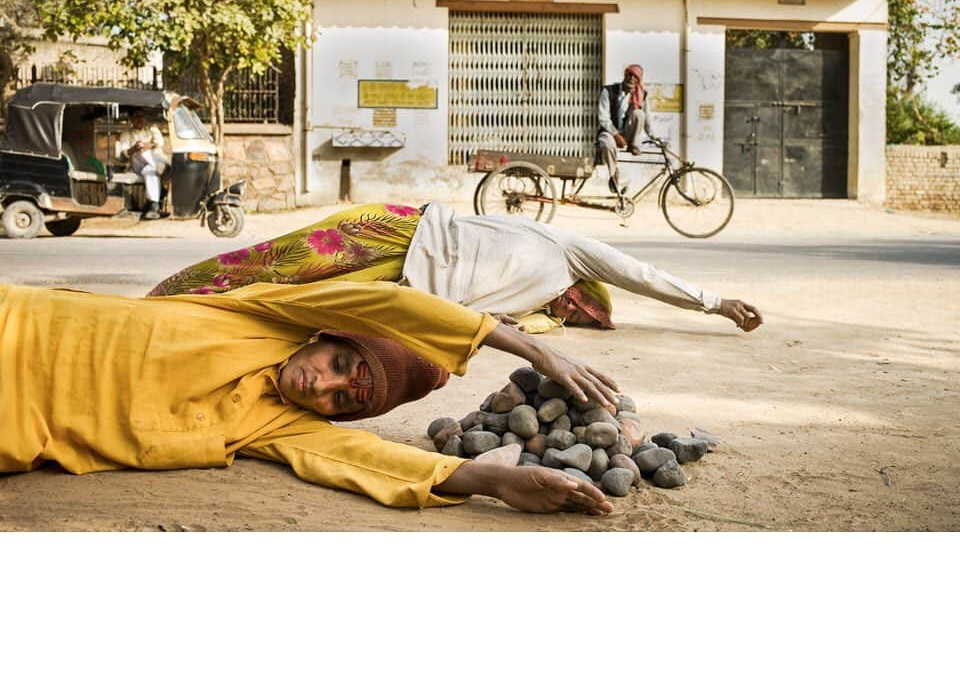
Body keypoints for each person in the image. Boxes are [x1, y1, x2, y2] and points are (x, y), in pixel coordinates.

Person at [0, 279, 616, 514]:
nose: (321, 386)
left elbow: (365, 461)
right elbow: (387, 303)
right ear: (327, 334)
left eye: (344, 400)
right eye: (340, 363)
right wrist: (527, 347)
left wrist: (488, 480)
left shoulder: (277, 428)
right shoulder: (267, 314)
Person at [148, 202, 763, 334]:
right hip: (401, 227)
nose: (572, 313)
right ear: (586, 292)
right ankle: (165, 297)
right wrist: (714, 301)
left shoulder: (533, 312)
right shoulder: (572, 250)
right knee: (267, 264)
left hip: (406, 282)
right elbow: (641, 271)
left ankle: (190, 319)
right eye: (584, 307)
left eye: (578, 318)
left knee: (283, 304)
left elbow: (519, 329)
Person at [597, 64, 654, 195]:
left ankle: (633, 144)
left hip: (628, 135)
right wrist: (616, 135)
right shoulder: (608, 91)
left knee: (639, 114)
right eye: (630, 75)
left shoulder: (642, 95)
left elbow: (647, 121)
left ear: (639, 80)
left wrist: (654, 138)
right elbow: (603, 117)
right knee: (606, 142)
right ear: (625, 75)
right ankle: (613, 175)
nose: (632, 79)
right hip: (610, 132)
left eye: (636, 77)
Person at [115, 109, 170, 220]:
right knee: (142, 152)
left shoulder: (152, 130)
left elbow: (160, 142)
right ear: (131, 120)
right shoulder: (127, 134)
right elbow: (124, 154)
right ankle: (162, 168)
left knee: (150, 171)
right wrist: (135, 148)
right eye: (136, 117)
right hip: (137, 163)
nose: (140, 119)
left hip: (152, 162)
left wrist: (148, 145)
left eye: (142, 116)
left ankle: (153, 206)